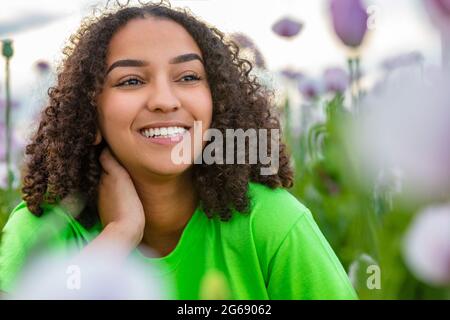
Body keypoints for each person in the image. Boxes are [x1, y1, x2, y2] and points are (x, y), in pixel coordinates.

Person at [0, 1, 357, 299]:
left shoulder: (271, 224)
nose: (164, 101)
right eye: (132, 81)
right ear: (89, 113)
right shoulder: (40, 234)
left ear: (216, 101)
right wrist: (118, 237)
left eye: (187, 77)